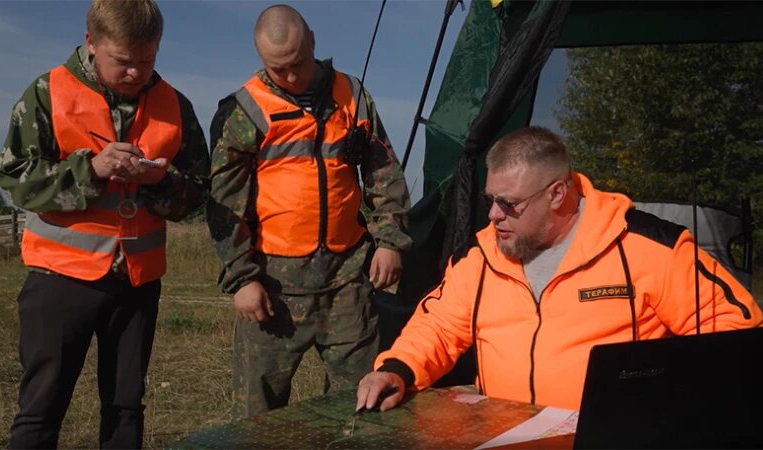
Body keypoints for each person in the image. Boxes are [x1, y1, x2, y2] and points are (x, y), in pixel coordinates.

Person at [356, 126, 763, 413]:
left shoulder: (646, 246)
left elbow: (736, 335)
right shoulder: (479, 257)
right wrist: (397, 370)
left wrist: (660, 403)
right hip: (507, 438)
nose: (494, 216)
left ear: (557, 194)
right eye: (489, 200)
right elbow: (439, 326)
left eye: (510, 204)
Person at [0, 1, 209, 447]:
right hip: (59, 281)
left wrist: (158, 180)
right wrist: (89, 170)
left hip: (137, 285)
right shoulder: (46, 92)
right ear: (91, 43)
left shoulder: (175, 104)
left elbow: (196, 194)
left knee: (126, 409)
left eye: (147, 60)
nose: (136, 73)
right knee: (40, 410)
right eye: (124, 62)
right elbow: (15, 180)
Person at [208, 4, 411, 418]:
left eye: (297, 64)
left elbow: (382, 170)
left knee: (359, 403)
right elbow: (224, 204)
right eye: (276, 69)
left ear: (313, 42)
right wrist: (241, 279)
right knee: (258, 416)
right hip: (272, 288)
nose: (289, 77)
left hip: (347, 282)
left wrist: (390, 242)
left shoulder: (352, 95)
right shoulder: (244, 109)